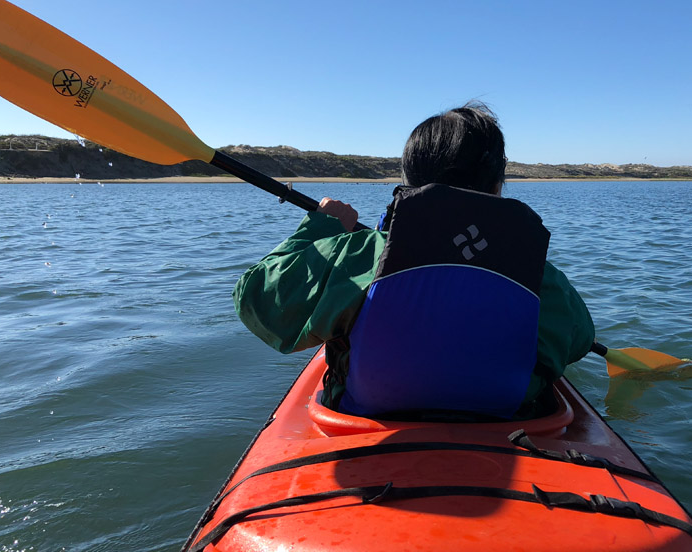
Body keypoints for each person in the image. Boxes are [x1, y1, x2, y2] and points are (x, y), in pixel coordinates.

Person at [233, 103, 594, 420]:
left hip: (366, 422)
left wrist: (320, 228)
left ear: (408, 181)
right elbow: (578, 340)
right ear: (498, 184)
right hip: (506, 424)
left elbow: (256, 298)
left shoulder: (356, 254)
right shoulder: (540, 277)